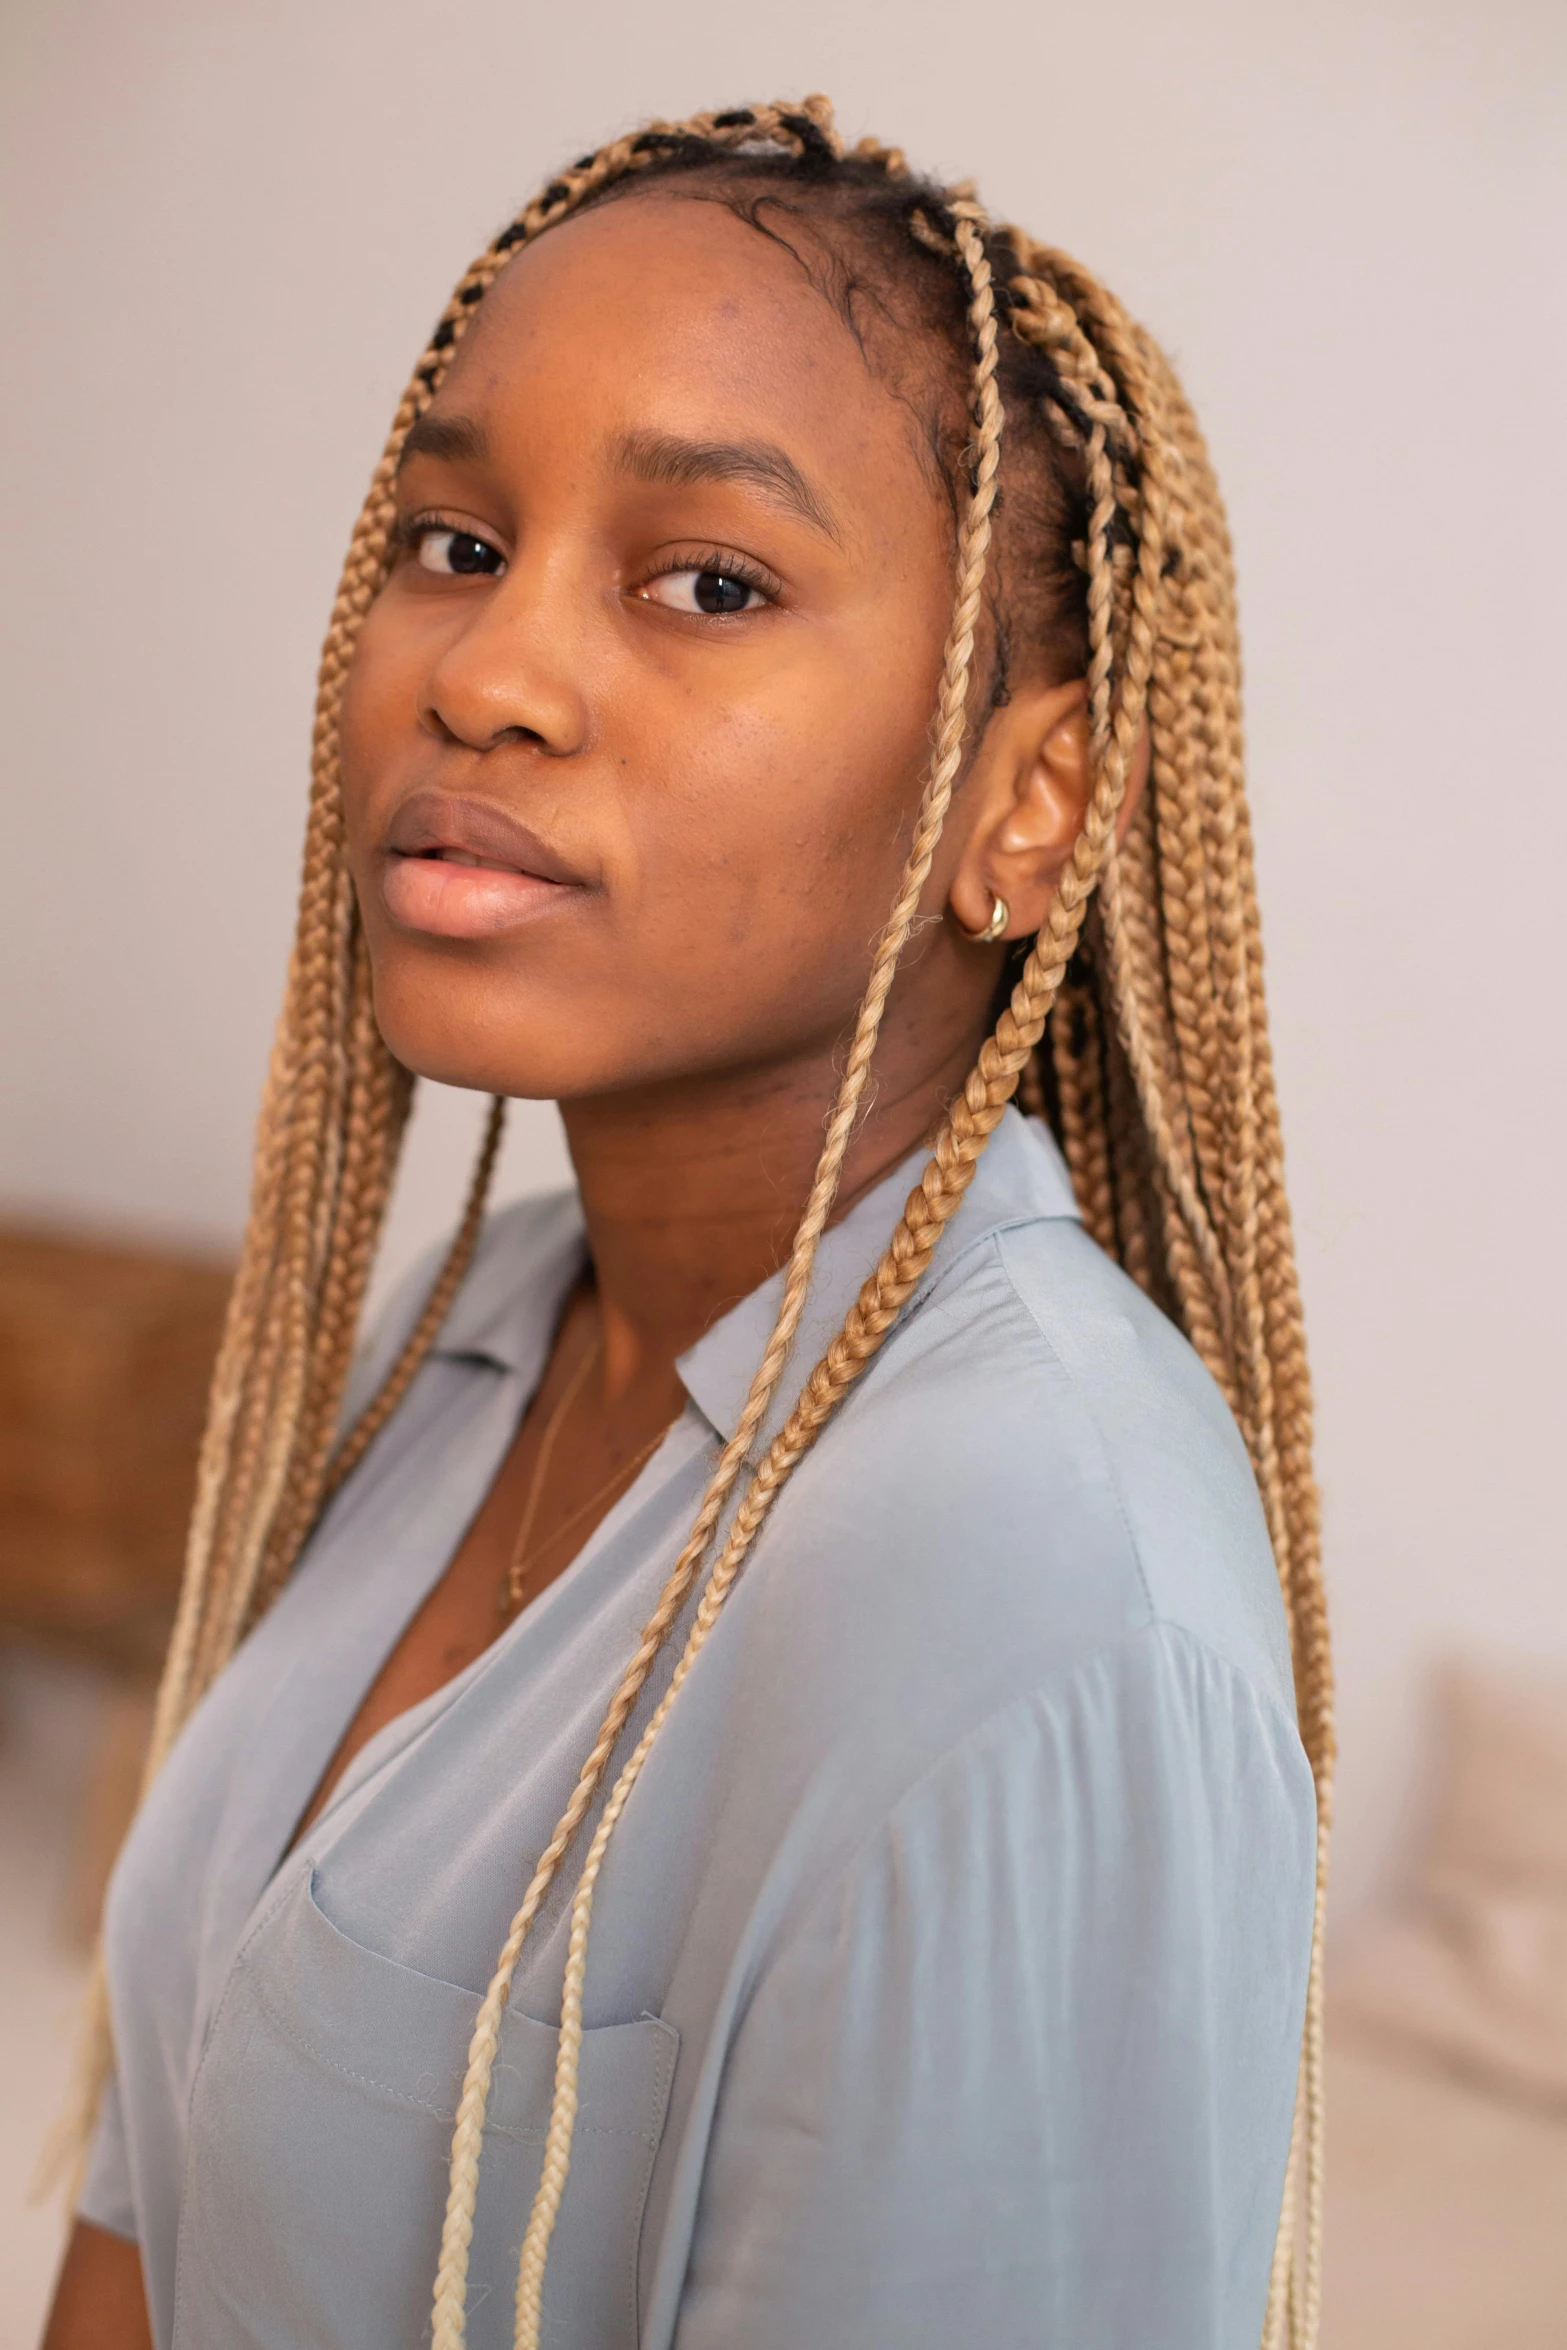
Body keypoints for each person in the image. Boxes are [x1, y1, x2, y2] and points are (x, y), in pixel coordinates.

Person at [43, 95, 1331, 2350]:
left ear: (1029, 805)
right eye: (453, 538)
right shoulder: (480, 1343)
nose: (487, 672)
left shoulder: (1033, 1587)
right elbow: (156, 2200)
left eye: (708, 581)